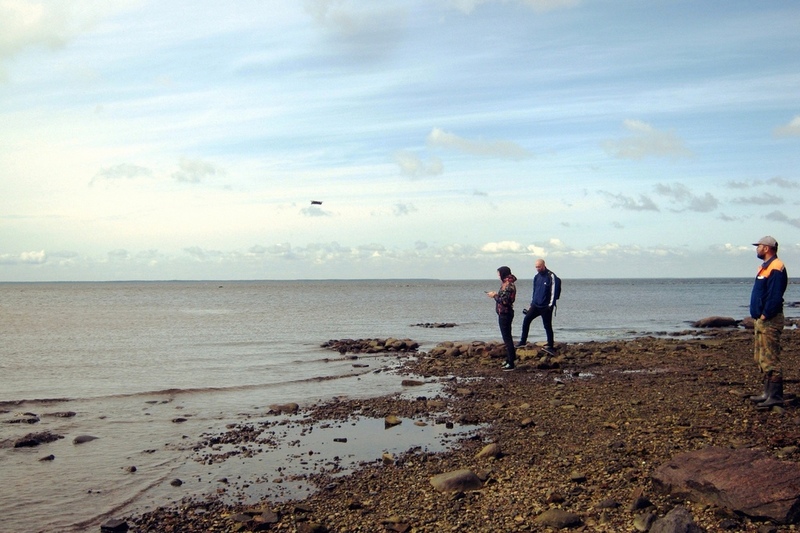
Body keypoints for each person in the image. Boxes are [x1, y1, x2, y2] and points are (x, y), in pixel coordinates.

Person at [748, 236, 788, 408]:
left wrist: (765, 314)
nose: (756, 249)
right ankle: (767, 393)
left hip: (769, 320)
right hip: (761, 319)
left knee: (771, 357)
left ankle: (776, 396)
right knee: (761, 356)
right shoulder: (765, 267)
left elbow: (775, 295)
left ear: (766, 248)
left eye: (759, 246)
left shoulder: (776, 267)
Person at [517, 258, 556, 354]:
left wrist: (550, 305)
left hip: (546, 306)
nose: (537, 268)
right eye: (536, 267)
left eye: (539, 267)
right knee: (526, 319)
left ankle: (550, 345)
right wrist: (531, 304)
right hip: (535, 305)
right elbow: (535, 291)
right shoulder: (536, 277)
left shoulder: (551, 276)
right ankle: (523, 341)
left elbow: (553, 292)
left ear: (543, 265)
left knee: (547, 326)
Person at [487, 266, 517, 371]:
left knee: (507, 338)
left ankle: (511, 362)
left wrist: (494, 296)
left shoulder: (508, 285)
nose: (498, 275)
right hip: (503, 313)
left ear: (503, 274)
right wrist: (496, 294)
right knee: (507, 337)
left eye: (499, 273)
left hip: (505, 314)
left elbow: (505, 301)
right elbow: (503, 297)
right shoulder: (505, 284)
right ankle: (509, 359)